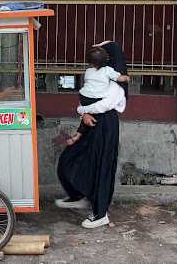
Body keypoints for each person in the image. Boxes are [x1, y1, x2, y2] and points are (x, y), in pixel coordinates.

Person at [55, 41, 128, 229]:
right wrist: (83, 114)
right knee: (70, 157)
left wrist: (82, 109)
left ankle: (100, 213)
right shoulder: (98, 77)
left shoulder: (115, 84)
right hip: (90, 123)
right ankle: (79, 195)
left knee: (102, 167)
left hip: (106, 126)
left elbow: (103, 105)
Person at [67, 47, 130, 146]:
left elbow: (82, 109)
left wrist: (82, 110)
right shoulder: (108, 71)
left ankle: (78, 135)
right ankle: (78, 135)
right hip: (97, 102)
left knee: (86, 118)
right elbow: (119, 78)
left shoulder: (88, 71)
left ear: (89, 62)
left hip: (84, 96)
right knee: (89, 115)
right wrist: (126, 78)